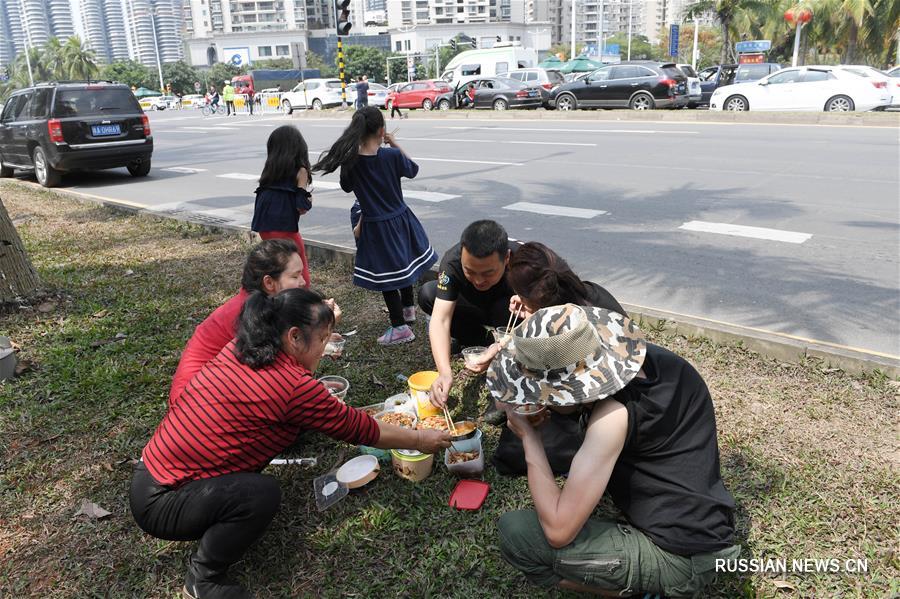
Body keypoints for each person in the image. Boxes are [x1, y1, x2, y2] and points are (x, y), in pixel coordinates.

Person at [131, 288, 451, 599]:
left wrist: (323, 323)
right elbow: (358, 428)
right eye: (323, 341)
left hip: (152, 471)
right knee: (260, 494)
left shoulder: (242, 346)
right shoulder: (292, 387)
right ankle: (203, 579)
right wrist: (421, 438)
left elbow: (299, 382)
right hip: (163, 501)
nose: (324, 348)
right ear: (294, 337)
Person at [488, 305, 740, 597]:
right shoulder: (663, 363)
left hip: (681, 559)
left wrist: (529, 438)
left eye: (541, 392)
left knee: (518, 533)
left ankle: (652, 592)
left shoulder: (612, 417)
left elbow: (558, 531)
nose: (538, 398)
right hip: (709, 525)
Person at [313, 106, 436, 346]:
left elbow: (347, 187)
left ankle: (400, 327)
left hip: (375, 224)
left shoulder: (351, 163)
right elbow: (413, 169)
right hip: (400, 218)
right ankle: (408, 311)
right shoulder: (392, 156)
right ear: (382, 131)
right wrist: (395, 144)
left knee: (386, 274)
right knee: (403, 264)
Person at [169, 238, 334, 403]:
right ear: (269, 282)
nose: (303, 282)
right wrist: (322, 327)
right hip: (195, 400)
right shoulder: (249, 315)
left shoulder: (259, 305)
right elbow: (286, 373)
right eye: (295, 276)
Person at [418, 220, 521, 406]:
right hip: (474, 306)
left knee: (505, 310)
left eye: (488, 273)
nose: (479, 280)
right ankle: (482, 340)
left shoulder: (524, 261)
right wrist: (444, 372)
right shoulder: (452, 261)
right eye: (470, 271)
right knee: (428, 294)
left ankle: (505, 366)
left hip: (508, 312)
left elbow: (546, 313)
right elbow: (440, 319)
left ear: (506, 259)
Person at [251, 125, 314, 288]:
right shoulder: (299, 171)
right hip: (285, 229)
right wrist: (306, 195)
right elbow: (301, 207)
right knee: (299, 267)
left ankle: (275, 292)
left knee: (276, 266)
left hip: (265, 228)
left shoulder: (270, 171)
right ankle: (299, 299)